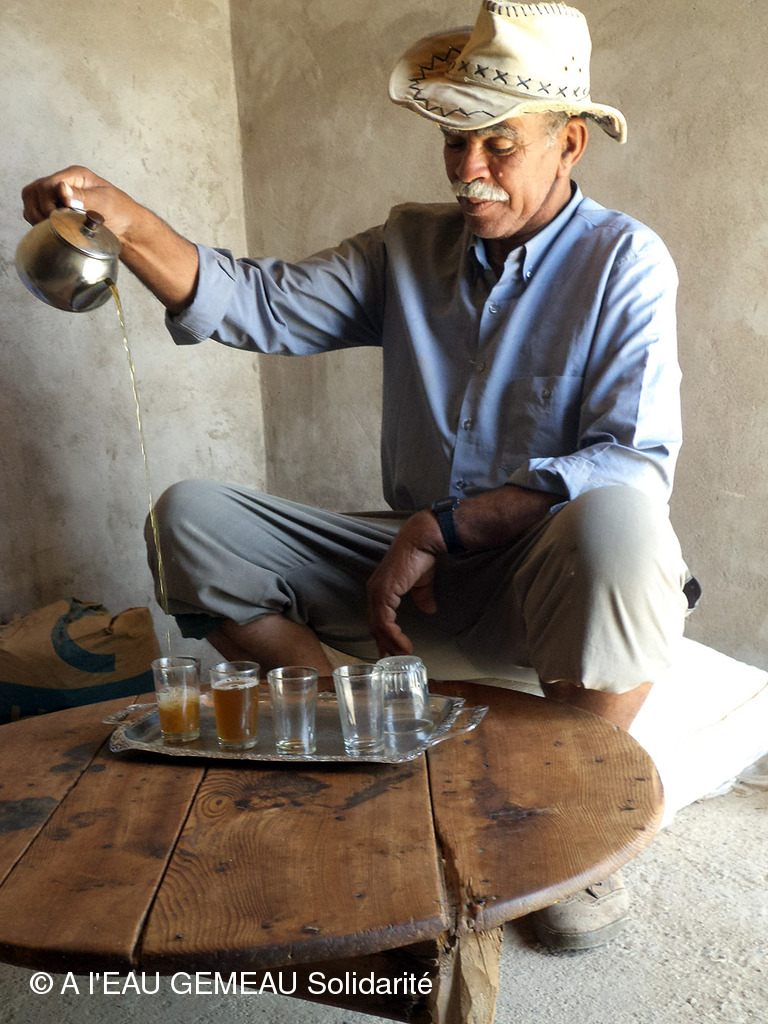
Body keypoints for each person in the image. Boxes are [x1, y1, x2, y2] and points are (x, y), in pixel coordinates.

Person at [21, 2, 692, 949]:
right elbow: (261, 303)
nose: (467, 170)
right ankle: (357, 735)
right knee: (191, 519)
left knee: (622, 520)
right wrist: (126, 224)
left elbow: (632, 456)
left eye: (498, 145)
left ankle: (573, 808)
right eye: (454, 141)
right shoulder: (407, 246)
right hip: (408, 582)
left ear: (569, 143)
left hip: (535, 575)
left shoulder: (625, 261)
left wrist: (445, 528)